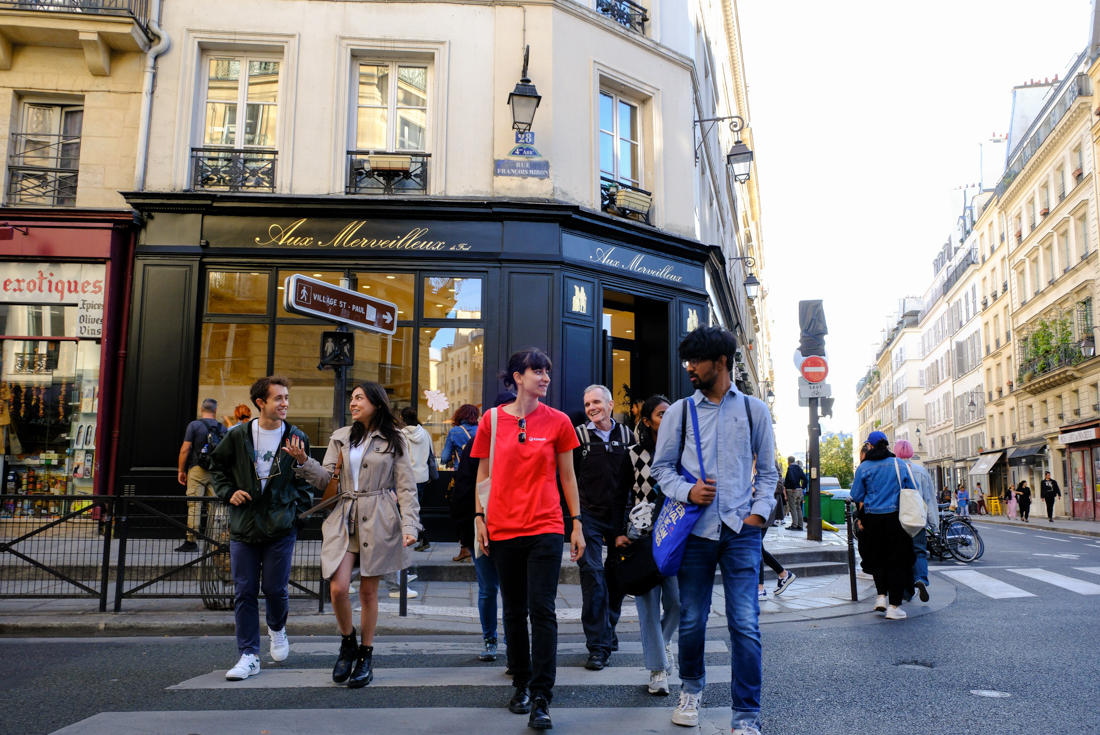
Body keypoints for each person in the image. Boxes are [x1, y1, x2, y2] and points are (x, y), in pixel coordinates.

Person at [651, 326, 777, 734]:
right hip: (695, 533)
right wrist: (688, 491)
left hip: (741, 531)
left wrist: (758, 515)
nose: (689, 368)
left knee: (745, 624)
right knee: (692, 620)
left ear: (720, 363)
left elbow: (769, 473)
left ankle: (746, 715)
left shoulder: (754, 410)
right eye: (687, 361)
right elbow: (660, 470)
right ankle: (691, 690)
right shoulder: (679, 412)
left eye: (696, 361)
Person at [472, 348, 586, 730]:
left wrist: (577, 523)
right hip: (503, 527)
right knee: (514, 610)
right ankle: (520, 683)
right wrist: (479, 518)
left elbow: (568, 477)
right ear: (517, 377)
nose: (546, 378)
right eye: (537, 371)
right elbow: (482, 474)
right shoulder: (490, 420)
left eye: (547, 371)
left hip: (547, 526)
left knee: (542, 609)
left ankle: (541, 695)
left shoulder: (559, 422)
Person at [290, 382, 421, 688]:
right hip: (344, 517)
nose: (353, 403)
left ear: (376, 403)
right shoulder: (341, 437)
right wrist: (302, 462)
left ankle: (365, 654)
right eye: (352, 398)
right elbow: (325, 481)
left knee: (368, 593)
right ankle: (348, 642)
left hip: (379, 517)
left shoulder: (394, 439)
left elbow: (406, 486)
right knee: (338, 588)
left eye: (360, 398)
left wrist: (410, 525)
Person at [208, 376, 315, 681]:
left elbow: (305, 480)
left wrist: (297, 515)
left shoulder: (296, 437)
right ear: (261, 403)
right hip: (244, 525)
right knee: (244, 591)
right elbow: (217, 467)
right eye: (278, 398)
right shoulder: (239, 435)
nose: (285, 403)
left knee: (274, 589)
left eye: (286, 398)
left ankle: (278, 628)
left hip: (281, 526)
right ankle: (248, 655)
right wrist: (228, 492)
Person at [612, 394, 680, 696]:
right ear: (648, 420)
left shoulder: (683, 452)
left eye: (670, 413)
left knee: (679, 604)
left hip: (675, 535)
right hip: (642, 537)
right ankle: (657, 669)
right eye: (661, 413)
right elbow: (619, 494)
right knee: (649, 606)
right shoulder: (633, 453)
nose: (666, 418)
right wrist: (616, 533)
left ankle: (662, 645)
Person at [573, 384, 634, 671]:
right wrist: (573, 520)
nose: (591, 407)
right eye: (587, 404)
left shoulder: (628, 436)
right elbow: (568, 478)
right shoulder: (579, 437)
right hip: (589, 517)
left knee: (617, 580)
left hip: (620, 519)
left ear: (610, 405)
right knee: (593, 577)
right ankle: (598, 646)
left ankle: (608, 627)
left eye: (596, 402)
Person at [449, 392, 514, 662]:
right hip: (483, 526)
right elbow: (464, 490)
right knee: (490, 588)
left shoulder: (518, 441)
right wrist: (468, 532)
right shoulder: (478, 442)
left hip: (514, 527)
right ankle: (491, 639)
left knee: (506, 590)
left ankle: (511, 641)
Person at [849, 431, 915, 621]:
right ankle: (894, 607)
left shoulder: (864, 467)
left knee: (878, 559)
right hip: (895, 518)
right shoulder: (898, 463)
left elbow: (856, 495)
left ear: (870, 446)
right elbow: (911, 488)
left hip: (872, 519)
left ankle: (881, 597)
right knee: (896, 561)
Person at [175, 398, 226, 552]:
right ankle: (216, 542)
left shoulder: (194, 425)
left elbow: (185, 450)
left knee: (195, 506)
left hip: (197, 469)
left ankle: (191, 542)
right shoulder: (222, 428)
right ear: (216, 410)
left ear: (200, 408)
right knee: (216, 508)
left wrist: (181, 470)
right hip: (215, 472)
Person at [894, 440, 936, 603]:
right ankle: (920, 579)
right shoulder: (921, 471)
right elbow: (930, 498)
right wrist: (934, 523)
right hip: (918, 519)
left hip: (900, 518)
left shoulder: (894, 470)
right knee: (919, 552)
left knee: (902, 555)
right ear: (911, 452)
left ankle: (906, 591)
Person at [400, 407, 435, 554]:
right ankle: (419, 536)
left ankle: (422, 537)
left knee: (407, 509)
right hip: (423, 476)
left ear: (402, 418)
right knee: (415, 508)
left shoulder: (401, 435)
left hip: (407, 478)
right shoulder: (425, 433)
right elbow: (431, 453)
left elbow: (399, 458)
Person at [442, 403, 480, 469]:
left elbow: (445, 457)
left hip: (460, 469)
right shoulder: (481, 430)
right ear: (476, 416)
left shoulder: (453, 431)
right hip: (478, 470)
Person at [783, 455, 807, 531]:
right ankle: (800, 525)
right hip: (799, 490)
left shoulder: (790, 468)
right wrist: (802, 487)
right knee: (798, 507)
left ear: (788, 461)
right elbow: (805, 479)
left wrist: (793, 487)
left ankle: (794, 525)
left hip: (792, 490)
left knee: (793, 508)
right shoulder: (799, 468)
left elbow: (791, 478)